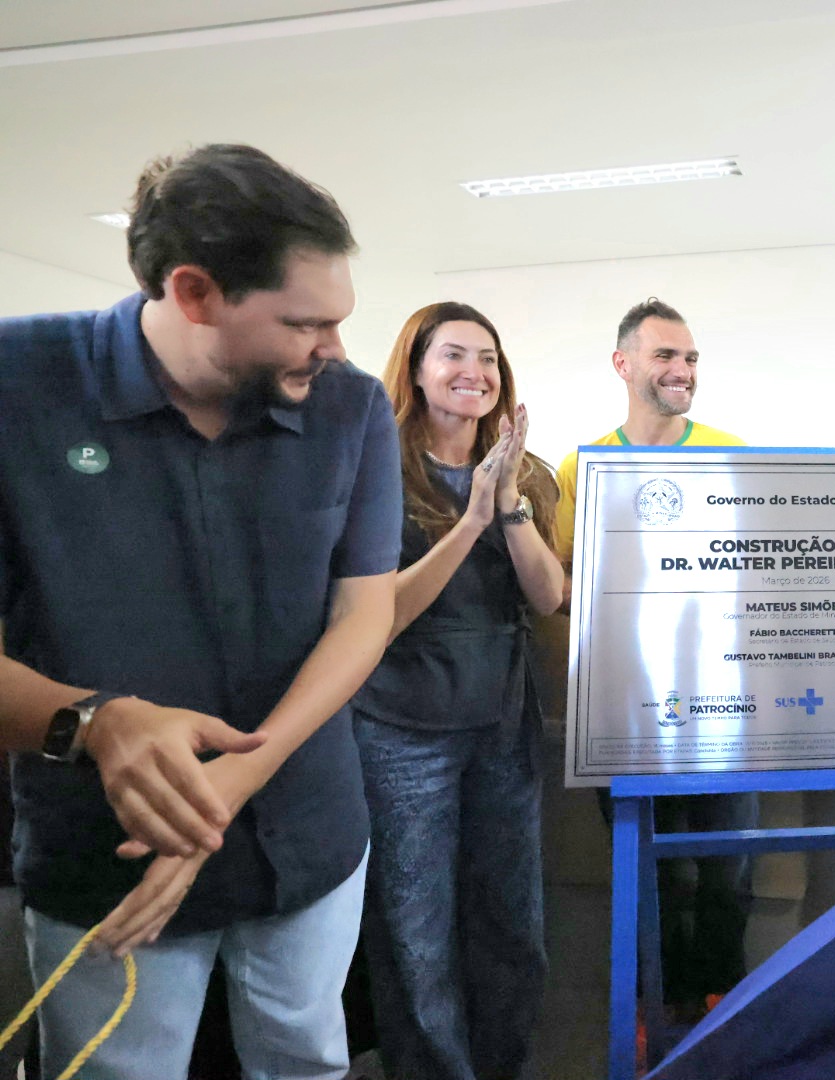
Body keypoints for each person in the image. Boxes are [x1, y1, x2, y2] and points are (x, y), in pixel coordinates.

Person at [0, 144, 401, 1079]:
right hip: (108, 855)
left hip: (307, 838)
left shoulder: (349, 408)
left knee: (305, 1057)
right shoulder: (20, 387)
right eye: (304, 323)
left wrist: (232, 784)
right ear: (194, 293)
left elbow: (363, 616)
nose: (335, 349)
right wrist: (96, 723)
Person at [352, 302, 565, 1080]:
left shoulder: (530, 473)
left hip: (502, 721)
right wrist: (471, 518)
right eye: (453, 355)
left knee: (513, 928)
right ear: (415, 369)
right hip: (402, 728)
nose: (474, 372)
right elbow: (378, 616)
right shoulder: (375, 466)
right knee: (416, 937)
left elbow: (549, 596)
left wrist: (507, 505)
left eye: (488, 358)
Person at [554, 298, 754, 1024]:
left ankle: (721, 1007)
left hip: (725, 705)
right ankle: (657, 1013)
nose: (682, 370)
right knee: (649, 874)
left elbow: (757, 574)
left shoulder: (733, 453)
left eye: (691, 357)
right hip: (626, 710)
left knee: (729, 864)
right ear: (623, 364)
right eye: (665, 355)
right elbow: (561, 584)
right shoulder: (584, 466)